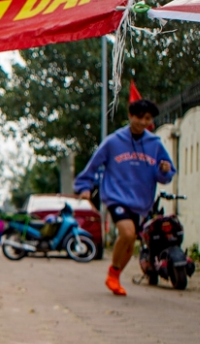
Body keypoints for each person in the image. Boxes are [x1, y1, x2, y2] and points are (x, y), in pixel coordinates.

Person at [74, 97, 176, 296]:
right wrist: (84, 187)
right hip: (116, 197)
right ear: (130, 116)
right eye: (139, 117)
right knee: (127, 233)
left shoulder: (154, 144)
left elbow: (164, 174)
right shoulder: (113, 142)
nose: (143, 122)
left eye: (147, 119)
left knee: (130, 243)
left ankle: (115, 275)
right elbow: (93, 166)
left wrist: (164, 170)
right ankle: (112, 272)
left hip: (140, 201)